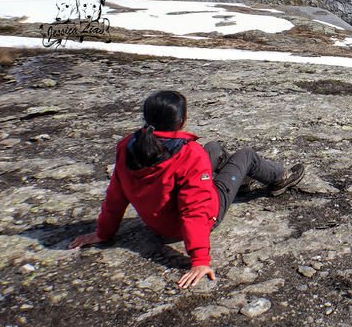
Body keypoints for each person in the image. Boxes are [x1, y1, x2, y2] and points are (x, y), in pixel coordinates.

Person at [69, 90, 304, 288]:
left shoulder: (128, 145)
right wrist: (200, 259)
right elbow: (196, 208)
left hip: (156, 223)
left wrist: (104, 232)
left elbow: (116, 195)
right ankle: (280, 179)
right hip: (184, 226)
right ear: (181, 121)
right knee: (246, 155)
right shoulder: (189, 154)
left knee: (213, 148)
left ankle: (240, 183)